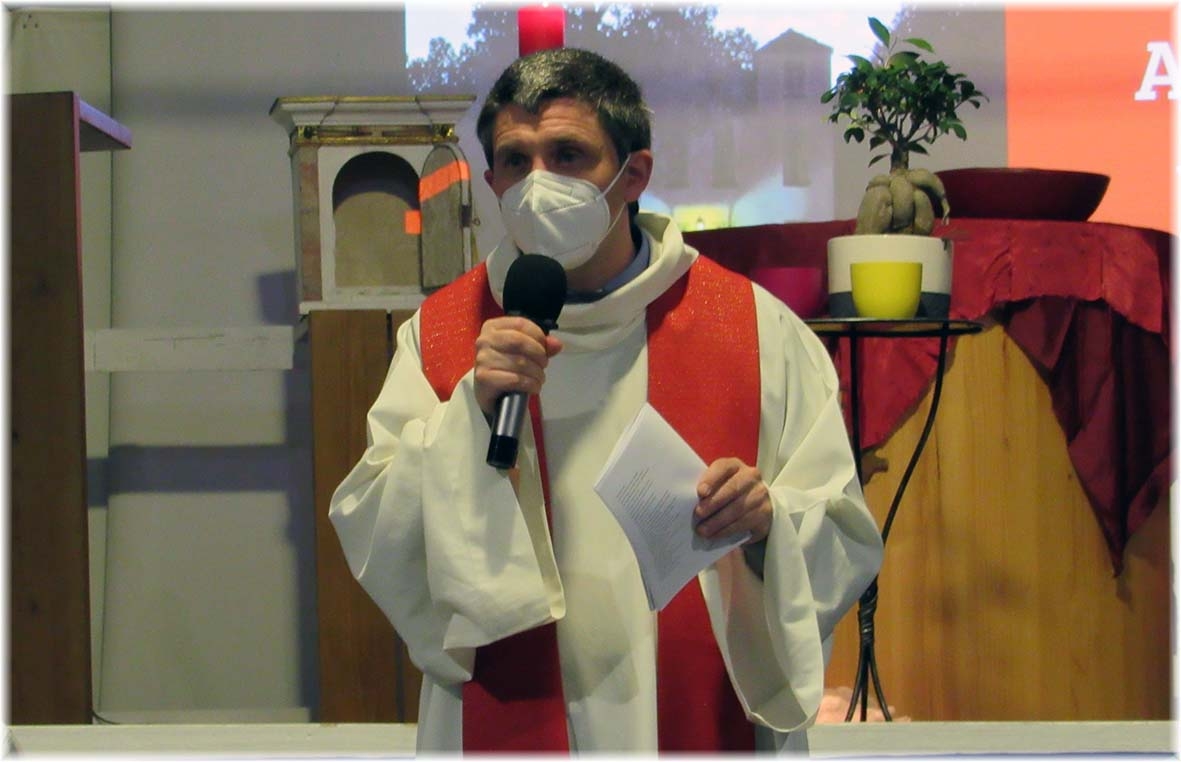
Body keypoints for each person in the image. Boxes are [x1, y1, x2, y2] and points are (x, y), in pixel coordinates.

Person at [329, 47, 883, 754]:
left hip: (695, 711)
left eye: (568, 155)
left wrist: (768, 525)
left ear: (635, 173)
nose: (539, 184)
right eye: (515, 160)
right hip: (507, 712)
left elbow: (841, 529)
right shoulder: (440, 335)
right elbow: (376, 526)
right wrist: (470, 416)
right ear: (491, 180)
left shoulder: (755, 329)